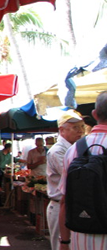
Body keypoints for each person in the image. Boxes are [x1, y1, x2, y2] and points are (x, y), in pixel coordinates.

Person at [58, 91, 107, 250]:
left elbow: (65, 201)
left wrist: (64, 242)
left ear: (94, 114)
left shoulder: (74, 150)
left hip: (82, 237)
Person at [46, 109, 84, 250]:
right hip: (59, 206)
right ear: (62, 130)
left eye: (82, 127)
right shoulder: (58, 151)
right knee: (61, 245)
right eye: (75, 127)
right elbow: (75, 178)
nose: (80, 131)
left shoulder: (75, 148)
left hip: (71, 206)